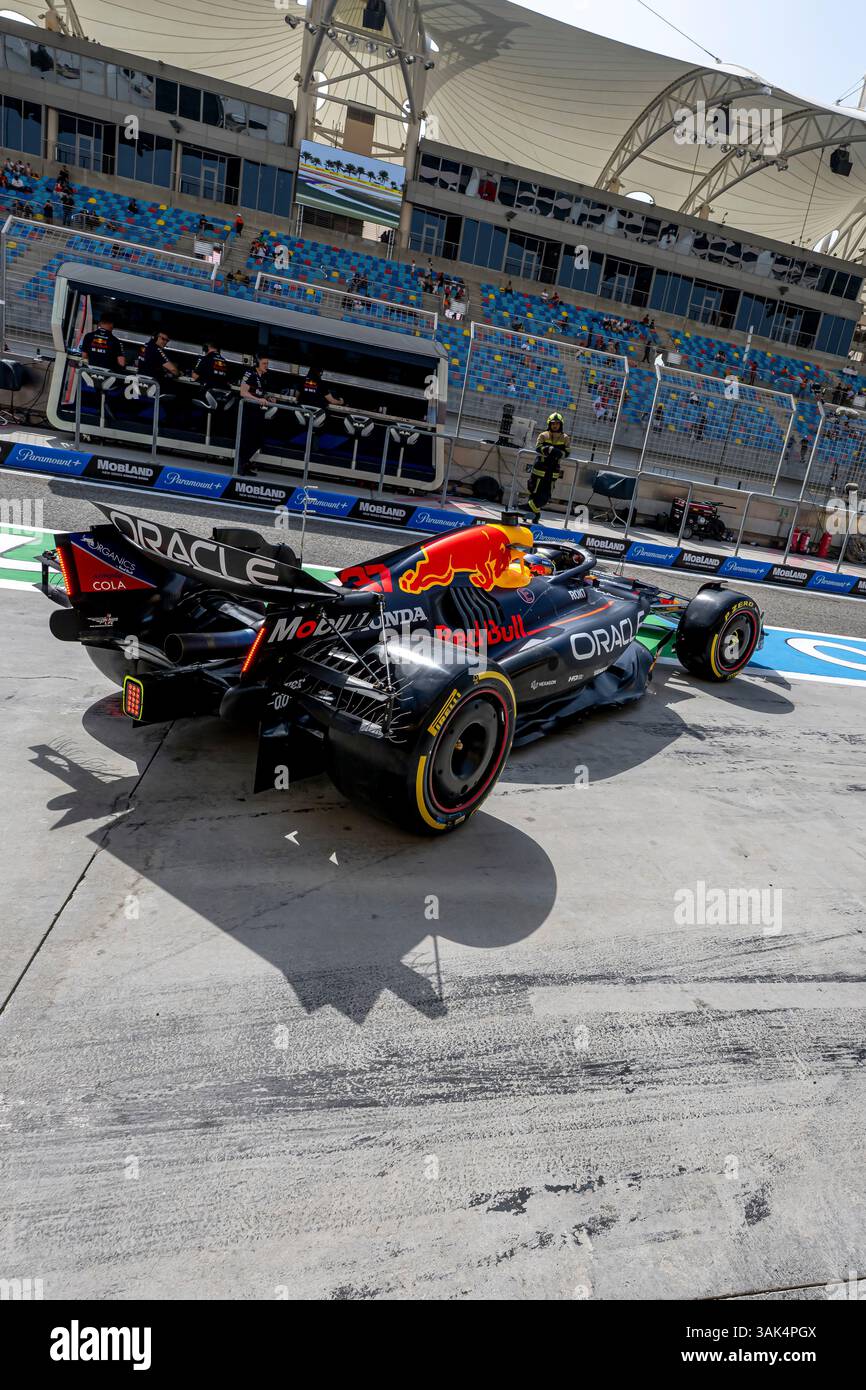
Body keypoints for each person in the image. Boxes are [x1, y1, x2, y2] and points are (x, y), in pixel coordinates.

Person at [527, 412, 570, 520]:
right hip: (540, 469)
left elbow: (567, 452)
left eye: (557, 423)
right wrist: (549, 449)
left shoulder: (565, 438)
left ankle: (528, 509)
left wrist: (560, 453)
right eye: (553, 423)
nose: (555, 425)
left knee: (546, 497)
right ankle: (533, 516)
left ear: (561, 425)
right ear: (549, 424)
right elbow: (538, 447)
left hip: (553, 470)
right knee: (534, 492)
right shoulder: (543, 435)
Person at [238, 355, 274, 476]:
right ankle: (241, 465)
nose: (266, 366)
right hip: (249, 410)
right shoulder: (250, 373)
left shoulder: (263, 377)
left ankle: (245, 463)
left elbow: (260, 393)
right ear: (257, 364)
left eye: (267, 363)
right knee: (247, 439)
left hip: (258, 411)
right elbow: (243, 392)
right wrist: (258, 400)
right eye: (264, 363)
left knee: (258, 441)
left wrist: (268, 397)